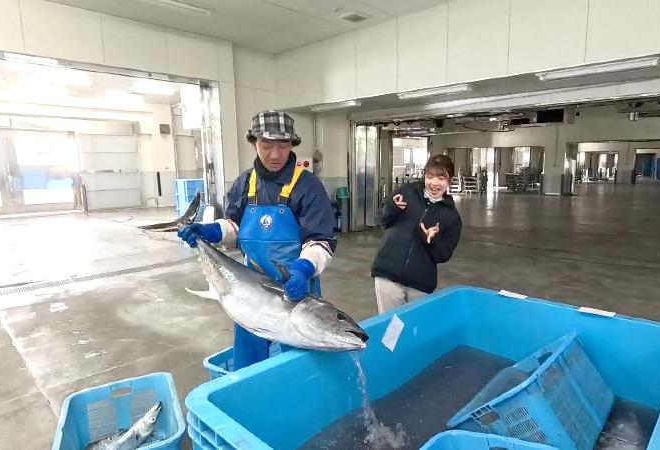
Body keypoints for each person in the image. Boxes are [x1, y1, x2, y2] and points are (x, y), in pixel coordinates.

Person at [178, 110, 336, 367]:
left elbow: (321, 240)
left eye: (283, 145)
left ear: (292, 145)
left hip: (296, 290)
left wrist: (304, 268)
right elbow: (234, 228)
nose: (275, 155)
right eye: (266, 145)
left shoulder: (308, 187)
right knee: (249, 363)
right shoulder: (244, 183)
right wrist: (210, 232)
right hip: (249, 290)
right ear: (254, 143)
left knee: (296, 365)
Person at [371, 154, 462, 314]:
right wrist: (392, 207)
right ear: (424, 175)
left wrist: (433, 240)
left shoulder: (452, 217)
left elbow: (444, 254)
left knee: (415, 330)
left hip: (420, 283)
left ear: (450, 180)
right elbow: (381, 220)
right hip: (388, 273)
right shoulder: (407, 192)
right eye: (430, 177)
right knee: (390, 329)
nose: (434, 183)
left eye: (441, 178)